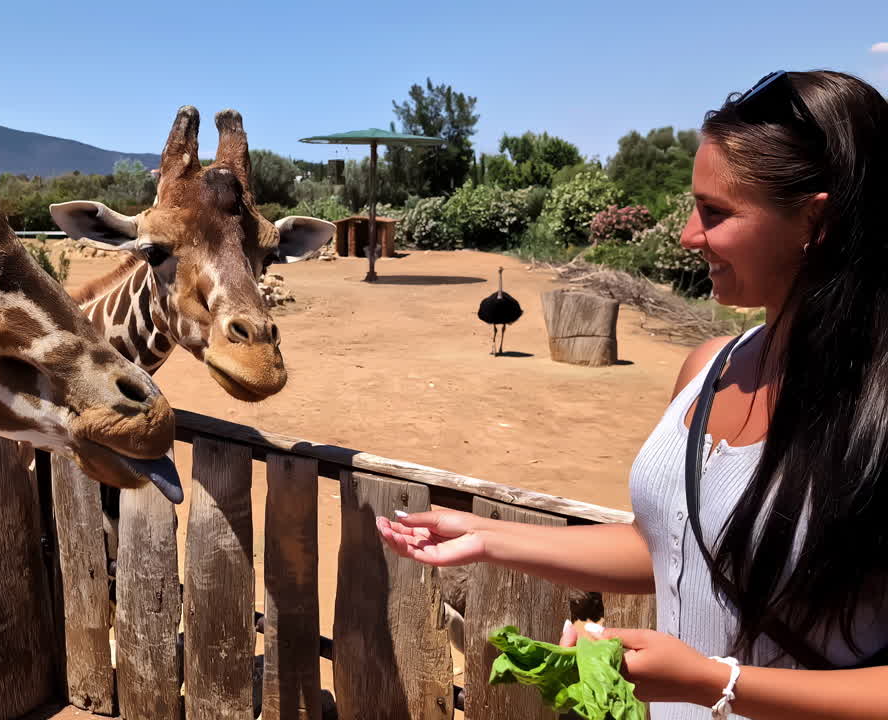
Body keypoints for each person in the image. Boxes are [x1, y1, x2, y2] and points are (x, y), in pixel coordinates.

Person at [378, 69, 888, 719]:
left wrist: (717, 684)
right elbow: (669, 546)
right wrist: (481, 535)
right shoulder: (708, 369)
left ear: (814, 221)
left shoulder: (875, 415)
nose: (686, 236)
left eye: (716, 213)